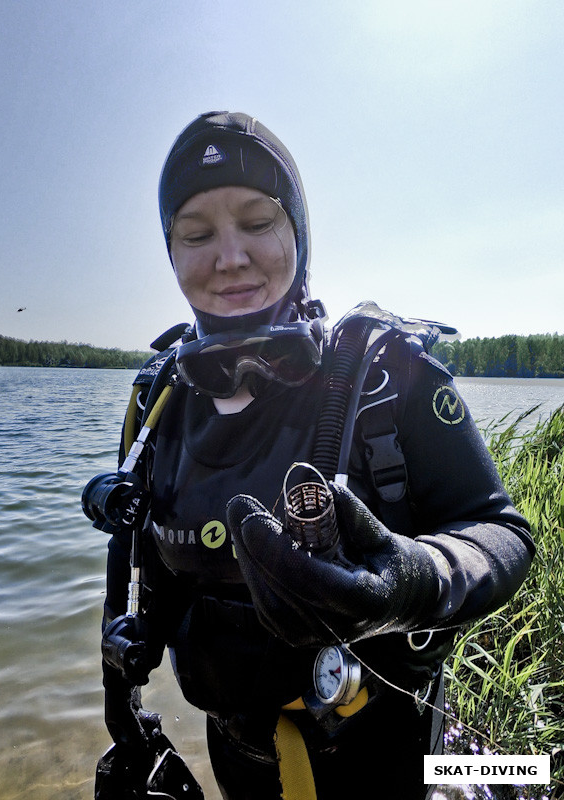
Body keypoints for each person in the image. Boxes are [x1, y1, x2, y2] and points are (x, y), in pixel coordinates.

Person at [84, 111, 534, 800]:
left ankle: (502, 776)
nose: (229, 257)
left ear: (298, 231)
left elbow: (503, 533)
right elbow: (157, 561)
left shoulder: (386, 375)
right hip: (236, 747)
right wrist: (145, 631)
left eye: (258, 223)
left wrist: (413, 580)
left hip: (387, 739)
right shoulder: (156, 402)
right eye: (196, 234)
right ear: (170, 250)